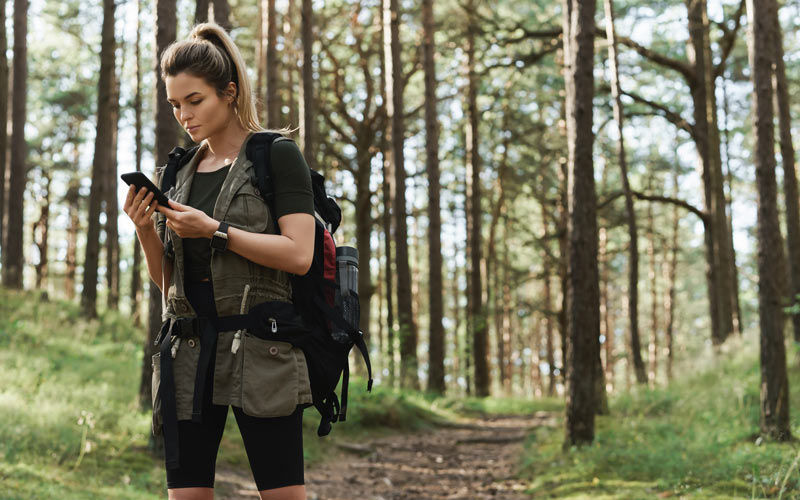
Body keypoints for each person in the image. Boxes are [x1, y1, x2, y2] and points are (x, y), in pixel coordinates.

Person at [123, 21, 315, 500]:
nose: (183, 115)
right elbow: (170, 284)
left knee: (283, 495)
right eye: (174, 104)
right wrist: (147, 231)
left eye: (195, 100)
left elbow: (300, 255)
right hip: (186, 354)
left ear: (229, 93)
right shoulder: (177, 171)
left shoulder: (276, 155)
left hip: (262, 350)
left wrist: (218, 232)